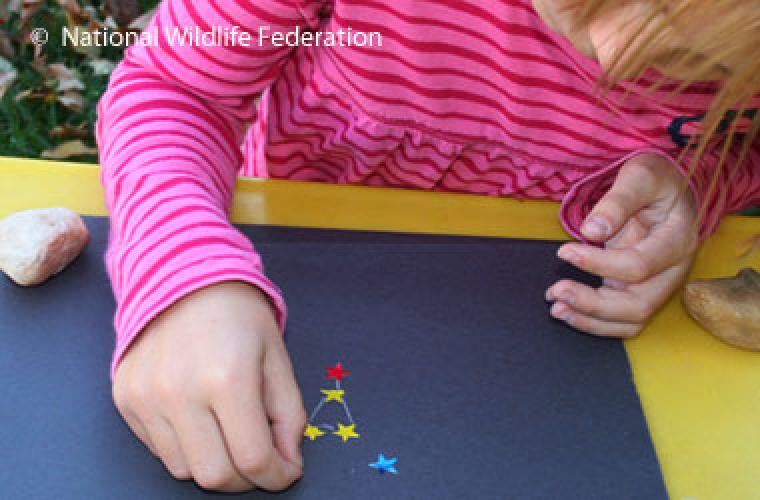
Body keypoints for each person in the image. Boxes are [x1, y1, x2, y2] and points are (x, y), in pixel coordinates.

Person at [95, 0, 760, 492]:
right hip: (305, 265)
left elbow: (744, 143)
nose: (611, 57)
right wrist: (179, 268)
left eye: (699, 63)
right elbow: (174, 88)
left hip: (542, 362)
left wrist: (701, 181)